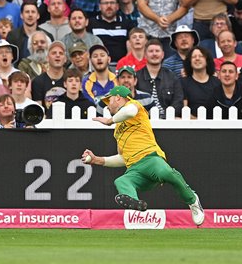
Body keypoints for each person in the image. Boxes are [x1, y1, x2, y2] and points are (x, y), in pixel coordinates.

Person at [82, 84, 204, 226]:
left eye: (109, 101)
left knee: (166, 173)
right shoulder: (117, 130)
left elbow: (129, 112)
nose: (107, 107)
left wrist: (109, 121)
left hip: (151, 159)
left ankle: (192, 200)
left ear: (118, 98)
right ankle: (135, 202)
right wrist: (98, 160)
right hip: (135, 169)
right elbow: (123, 157)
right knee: (121, 181)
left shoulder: (134, 106)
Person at [136, 39, 183, 118]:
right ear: (145, 55)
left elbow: (178, 102)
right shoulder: (136, 77)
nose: (154, 54)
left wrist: (165, 117)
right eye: (151, 51)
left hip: (168, 123)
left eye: (157, 51)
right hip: (143, 122)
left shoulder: (172, 77)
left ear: (162, 55)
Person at [88, 0, 133, 65]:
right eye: (105, 3)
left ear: (117, 6)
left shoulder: (127, 24)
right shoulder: (91, 23)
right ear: (100, 6)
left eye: (112, 3)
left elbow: (131, 49)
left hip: (121, 66)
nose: (109, 6)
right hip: (98, 66)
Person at [181, 46, 220, 119]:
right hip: (191, 124)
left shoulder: (217, 83)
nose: (197, 58)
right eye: (193, 57)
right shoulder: (183, 83)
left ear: (207, 60)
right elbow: (184, 109)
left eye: (201, 56)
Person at [31, 40, 67, 108]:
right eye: (54, 53)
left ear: (65, 59)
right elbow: (38, 108)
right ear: (47, 58)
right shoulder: (38, 81)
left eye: (61, 53)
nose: (57, 55)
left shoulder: (71, 79)